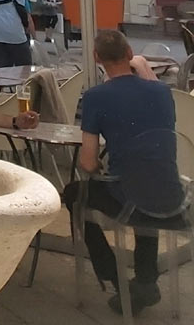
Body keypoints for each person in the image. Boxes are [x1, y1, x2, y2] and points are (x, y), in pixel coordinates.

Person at [63, 30, 187, 317]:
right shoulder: (162, 91)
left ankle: (114, 278)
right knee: (146, 180)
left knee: (74, 195)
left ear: (96, 58)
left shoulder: (95, 97)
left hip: (131, 199)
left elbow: (88, 162)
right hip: (173, 197)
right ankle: (145, 280)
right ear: (130, 53)